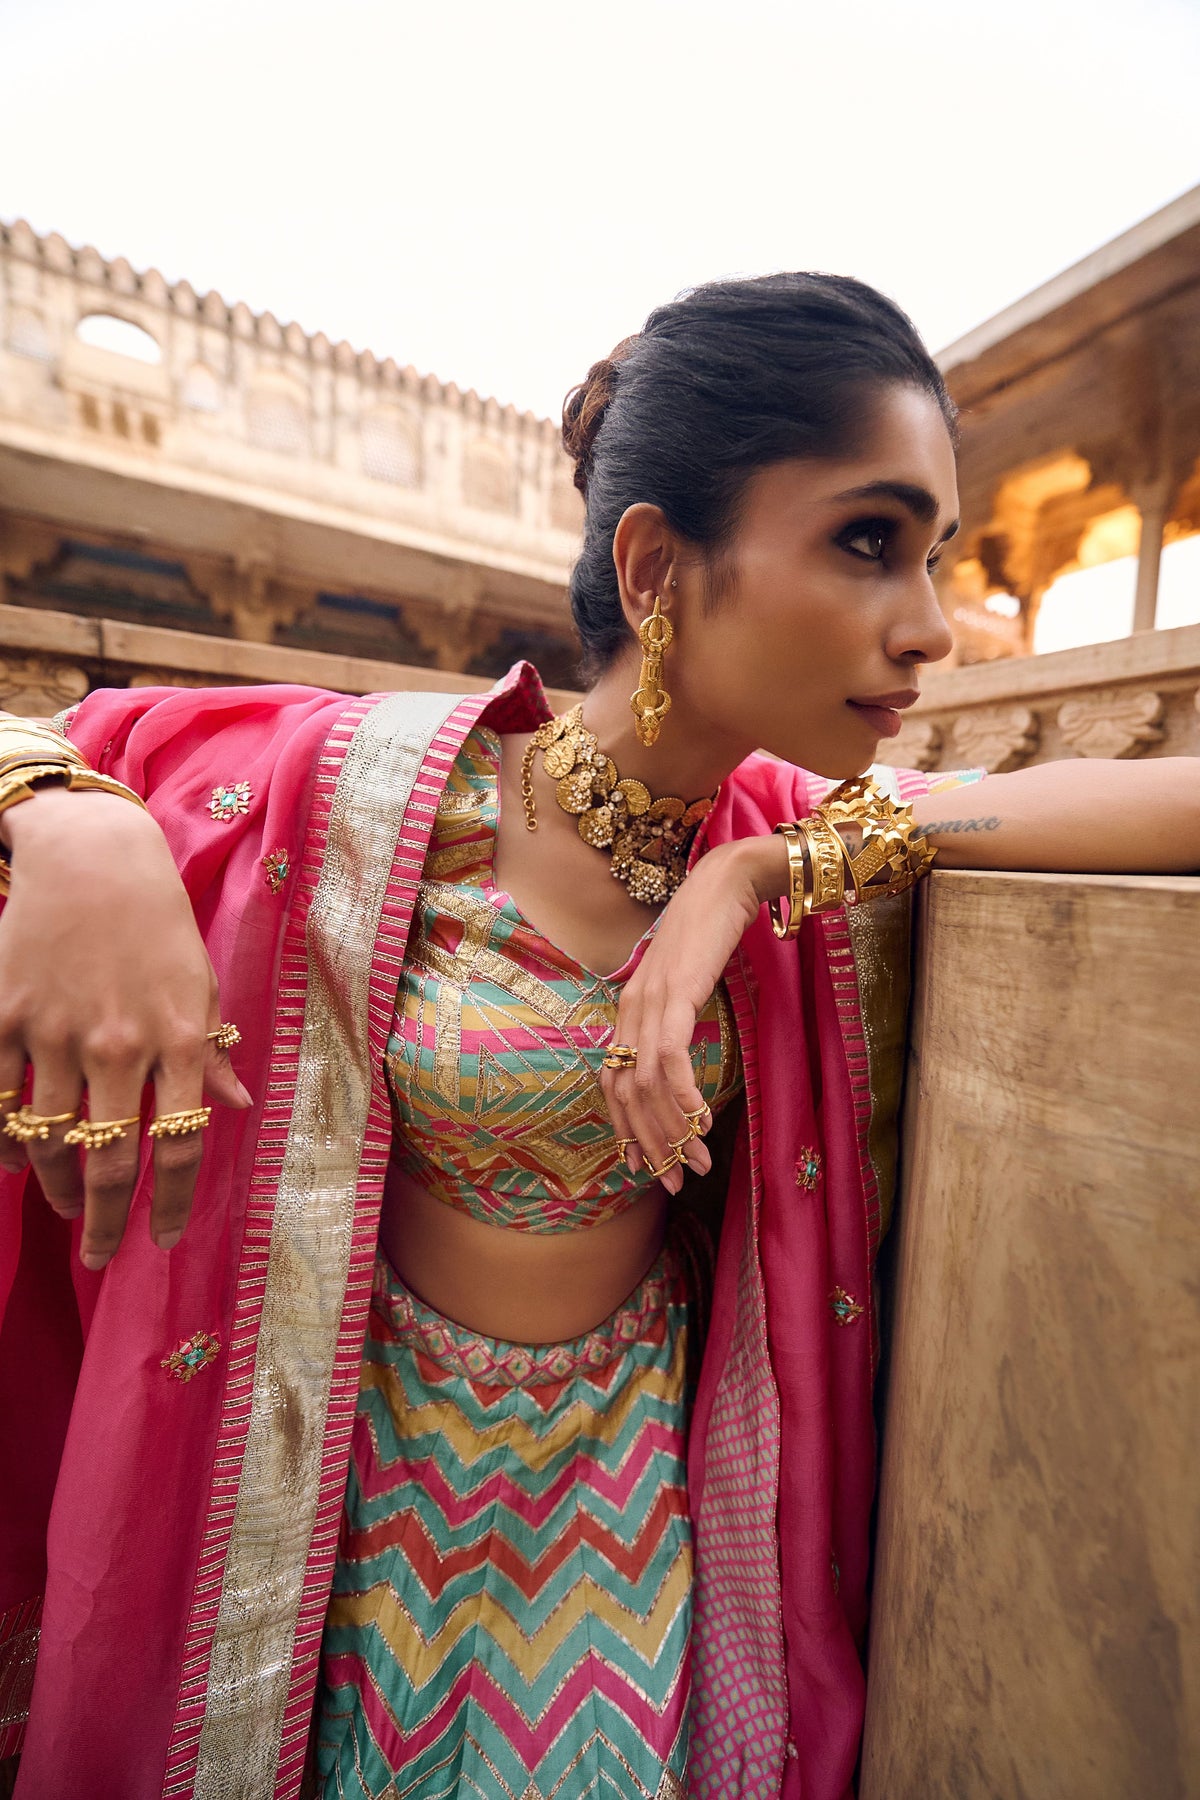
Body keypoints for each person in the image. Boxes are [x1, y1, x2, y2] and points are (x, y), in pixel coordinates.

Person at [0, 273, 1196, 1800]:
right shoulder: (378, 802)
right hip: (340, 1503)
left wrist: (760, 870)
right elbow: (63, 743)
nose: (936, 627)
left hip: (632, 1505)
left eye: (936, 555)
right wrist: (72, 830)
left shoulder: (791, 841)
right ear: (656, 565)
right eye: (868, 540)